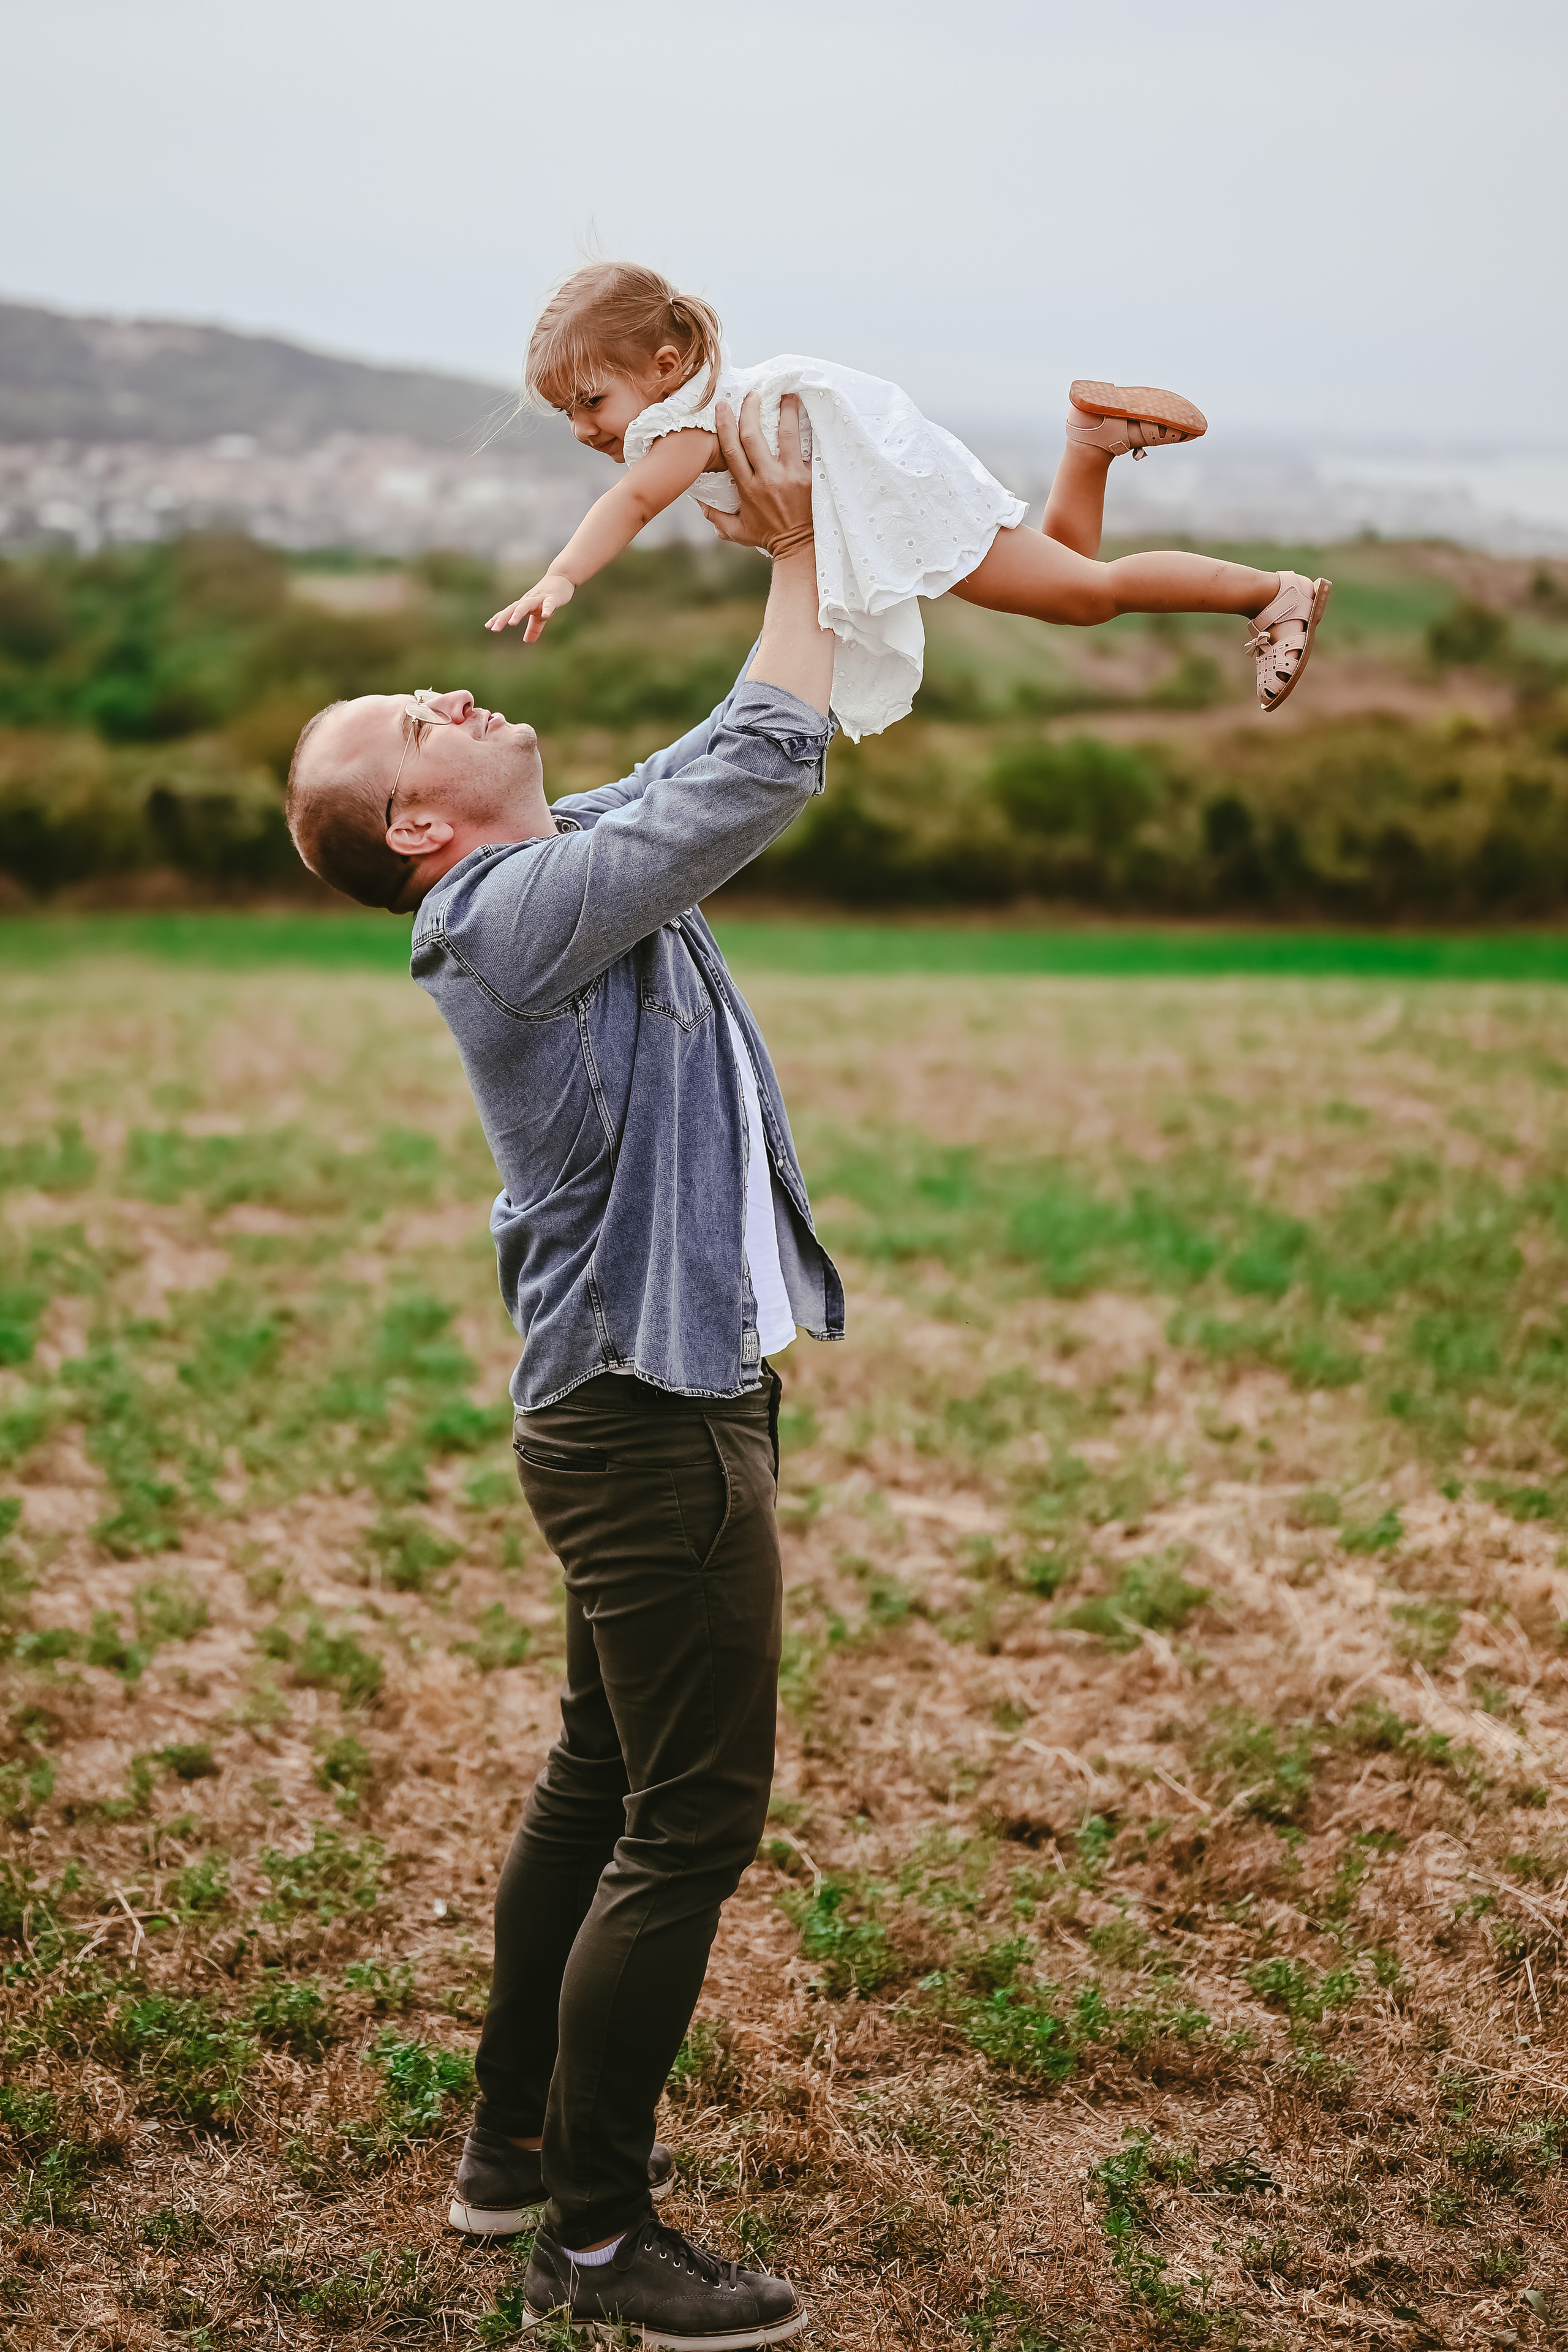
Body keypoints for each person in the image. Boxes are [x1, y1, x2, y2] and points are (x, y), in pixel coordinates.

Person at [284, 394, 830, 2348]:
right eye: (409, 723)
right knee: (688, 1817)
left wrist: (793, 562)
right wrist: (795, 550)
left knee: (603, 1778)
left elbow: (700, 767)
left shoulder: (549, 864)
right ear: (420, 828)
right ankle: (596, 2241)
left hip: (644, 1399)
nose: (444, 693)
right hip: (646, 1423)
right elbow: (755, 774)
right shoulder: (505, 916)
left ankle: (512, 2160)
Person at [485, 258, 1330, 738]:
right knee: (1071, 578)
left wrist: (563, 574)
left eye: (591, 402)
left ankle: (1272, 593)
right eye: (565, 412)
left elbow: (631, 507)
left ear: (663, 371)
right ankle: (1091, 442)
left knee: (1088, 596)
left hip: (899, 502)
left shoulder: (687, 426)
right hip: (899, 474)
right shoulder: (706, 401)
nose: (582, 428)